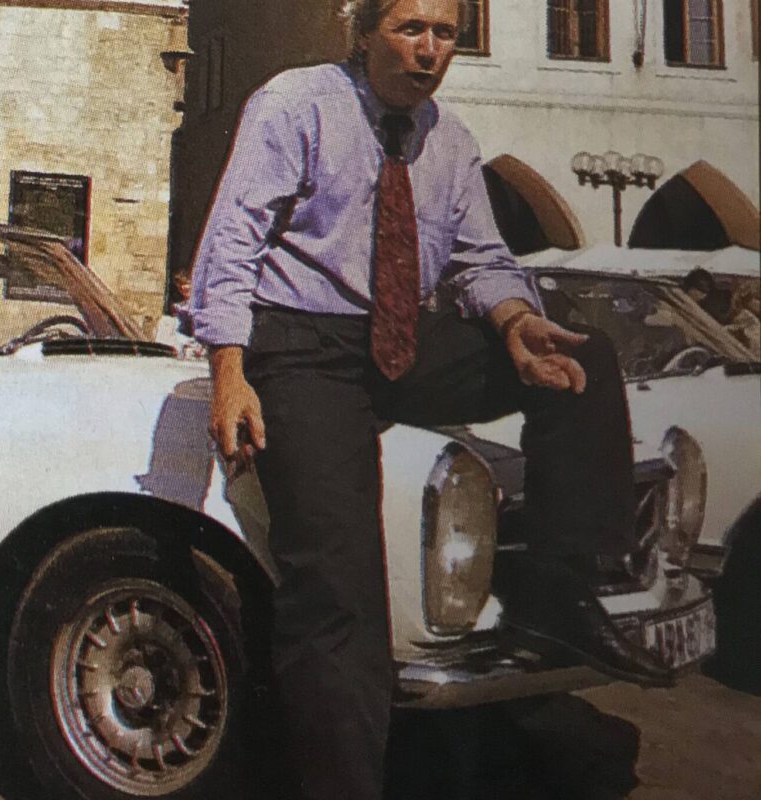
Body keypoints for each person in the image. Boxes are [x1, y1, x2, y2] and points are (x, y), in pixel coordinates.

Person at [187, 1, 674, 797]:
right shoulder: (295, 103)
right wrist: (229, 370)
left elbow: (482, 259)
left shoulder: (450, 141)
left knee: (583, 360)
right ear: (364, 33)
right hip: (303, 349)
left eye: (445, 34)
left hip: (400, 341)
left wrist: (515, 323)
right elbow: (232, 240)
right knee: (337, 591)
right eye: (410, 29)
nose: (429, 51)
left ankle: (556, 590)